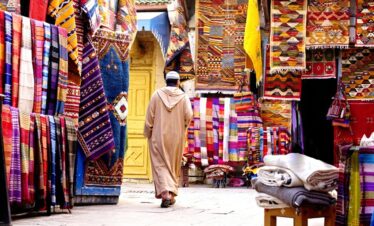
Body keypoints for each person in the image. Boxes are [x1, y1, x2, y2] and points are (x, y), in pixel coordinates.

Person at [144, 71, 193, 208]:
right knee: (172, 165)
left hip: (158, 136)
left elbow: (149, 117)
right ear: (178, 82)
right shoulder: (184, 97)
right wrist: (183, 127)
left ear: (166, 81)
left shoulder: (156, 95)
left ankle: (165, 193)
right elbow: (189, 115)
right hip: (176, 137)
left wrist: (148, 132)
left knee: (160, 164)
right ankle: (170, 195)